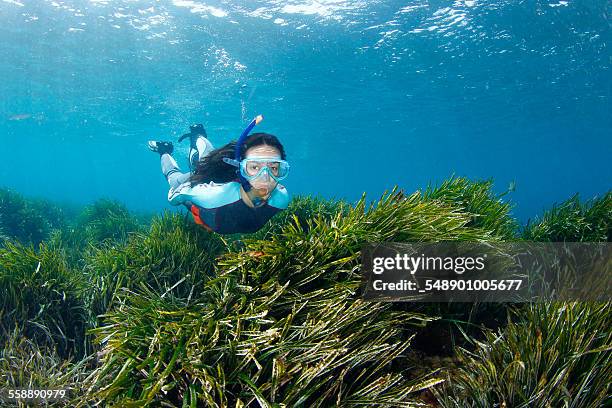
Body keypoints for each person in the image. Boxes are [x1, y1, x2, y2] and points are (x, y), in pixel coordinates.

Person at [148, 116, 290, 234]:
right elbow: (173, 194)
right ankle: (165, 150)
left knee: (207, 157)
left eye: (274, 168)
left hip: (215, 202)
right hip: (202, 191)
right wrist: (183, 193)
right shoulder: (214, 196)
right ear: (240, 168)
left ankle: (197, 136)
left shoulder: (281, 198)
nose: (265, 179)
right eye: (254, 167)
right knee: (178, 177)